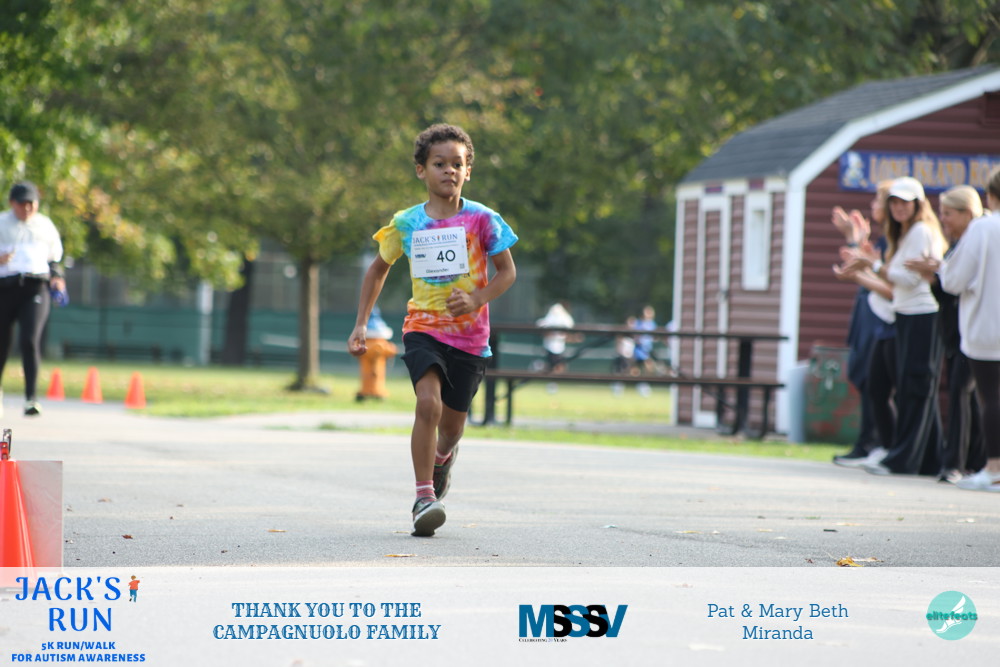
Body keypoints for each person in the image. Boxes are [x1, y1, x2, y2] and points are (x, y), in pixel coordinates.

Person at [347, 124, 518, 536]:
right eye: (439, 164)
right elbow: (378, 270)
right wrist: (360, 324)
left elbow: (507, 272)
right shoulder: (407, 223)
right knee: (428, 403)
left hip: (470, 338)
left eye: (457, 164)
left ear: (468, 171)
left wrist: (477, 299)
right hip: (423, 327)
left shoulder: (483, 219)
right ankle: (424, 496)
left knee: (452, 429)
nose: (449, 171)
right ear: (421, 170)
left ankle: (442, 459)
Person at [845, 177, 947, 476]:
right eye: (894, 202)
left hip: (921, 315)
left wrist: (874, 266)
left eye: (905, 202)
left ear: (918, 204)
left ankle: (903, 459)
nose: (899, 207)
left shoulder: (920, 231)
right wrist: (875, 265)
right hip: (906, 315)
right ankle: (930, 460)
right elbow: (901, 276)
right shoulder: (904, 234)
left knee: (915, 388)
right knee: (913, 388)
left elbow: (909, 279)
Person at [906, 185, 986, 483]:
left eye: (949, 213)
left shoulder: (977, 242)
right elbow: (947, 291)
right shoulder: (957, 245)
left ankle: (957, 463)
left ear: (968, 213)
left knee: (964, 393)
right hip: (956, 332)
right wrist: (933, 277)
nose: (944, 219)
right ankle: (972, 462)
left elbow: (960, 286)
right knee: (968, 396)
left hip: (973, 330)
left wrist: (939, 272)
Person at [940, 167, 1000, 492]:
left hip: (987, 328)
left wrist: (940, 268)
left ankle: (994, 468)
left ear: (990, 195)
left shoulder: (983, 228)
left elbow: (953, 280)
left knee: (991, 398)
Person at [829, 182, 891, 466]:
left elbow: (876, 276)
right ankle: (868, 442)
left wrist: (855, 243)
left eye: (878, 201)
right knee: (864, 376)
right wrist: (855, 240)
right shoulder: (884, 240)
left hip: (881, 317)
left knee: (874, 381)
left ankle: (873, 443)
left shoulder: (893, 243)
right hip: (868, 312)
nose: (873, 206)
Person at [0, 181, 66, 417]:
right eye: (22, 204)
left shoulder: (44, 226)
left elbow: (54, 259)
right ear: (12, 203)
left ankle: (31, 398)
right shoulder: (2, 223)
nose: (27, 208)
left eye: (31, 204)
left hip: (34, 287)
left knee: (29, 340)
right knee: (2, 343)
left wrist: (57, 278)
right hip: (5, 288)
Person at [536, 300, 575, 373]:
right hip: (552, 348)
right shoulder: (557, 316)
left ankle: (544, 369)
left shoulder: (562, 318)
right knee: (556, 368)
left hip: (557, 348)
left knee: (557, 367)